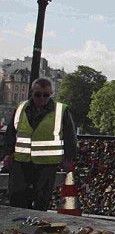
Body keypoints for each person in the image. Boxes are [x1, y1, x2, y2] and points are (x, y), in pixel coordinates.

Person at [0, 78, 78, 210]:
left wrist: (68, 158)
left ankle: (35, 228)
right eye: (38, 94)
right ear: (31, 93)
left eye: (46, 95)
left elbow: (70, 136)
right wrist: (7, 154)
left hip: (47, 164)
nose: (42, 98)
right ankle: (17, 229)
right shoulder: (20, 108)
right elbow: (11, 134)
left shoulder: (61, 110)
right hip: (21, 162)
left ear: (51, 94)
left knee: (41, 201)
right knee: (17, 199)